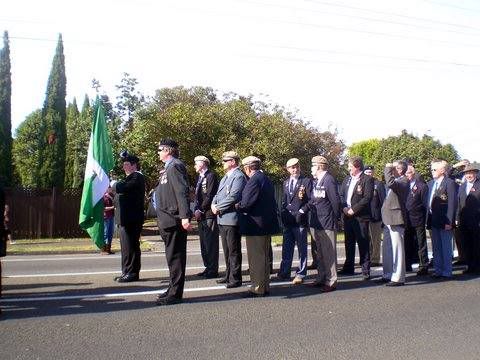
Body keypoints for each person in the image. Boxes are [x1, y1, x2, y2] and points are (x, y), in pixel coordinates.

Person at [155, 139, 192, 306]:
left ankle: (175, 294)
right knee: (171, 257)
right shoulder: (167, 167)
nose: (158, 152)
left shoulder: (175, 165)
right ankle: (172, 288)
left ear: (168, 150)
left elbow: (181, 191)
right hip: (166, 219)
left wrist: (185, 216)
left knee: (176, 258)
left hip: (173, 218)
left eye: (160, 149)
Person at [236, 156, 280, 297]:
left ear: (248, 167)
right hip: (265, 224)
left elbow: (246, 203)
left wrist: (237, 205)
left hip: (255, 225)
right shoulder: (265, 178)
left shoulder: (253, 180)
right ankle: (264, 286)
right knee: (264, 257)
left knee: (256, 258)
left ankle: (257, 288)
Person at [300, 156, 340, 292]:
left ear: (318, 166)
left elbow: (335, 202)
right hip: (317, 222)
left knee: (329, 253)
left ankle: (331, 281)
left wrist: (336, 219)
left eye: (312, 166)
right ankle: (321, 278)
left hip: (327, 222)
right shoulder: (317, 181)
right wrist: (303, 209)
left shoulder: (329, 180)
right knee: (320, 253)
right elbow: (313, 200)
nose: (311, 168)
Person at [211, 151, 247, 289]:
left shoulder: (238, 176)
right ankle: (228, 274)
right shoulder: (226, 176)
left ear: (233, 162)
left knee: (233, 251)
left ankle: (235, 278)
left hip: (231, 218)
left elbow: (234, 196)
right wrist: (213, 204)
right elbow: (217, 194)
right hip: (222, 218)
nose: (223, 163)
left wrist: (218, 208)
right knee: (226, 250)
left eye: (225, 161)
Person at [112, 151, 146, 283]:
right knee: (126, 246)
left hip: (131, 219)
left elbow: (122, 187)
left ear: (134, 165)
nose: (123, 167)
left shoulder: (137, 177)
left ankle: (131, 272)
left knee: (130, 246)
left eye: (126, 164)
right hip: (125, 219)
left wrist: (113, 184)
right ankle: (126, 271)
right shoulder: (130, 177)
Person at [277, 158, 312, 284]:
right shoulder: (286, 183)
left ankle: (301, 273)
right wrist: (283, 212)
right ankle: (284, 271)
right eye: (292, 167)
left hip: (300, 220)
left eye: (297, 167)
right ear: (288, 169)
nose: (295, 169)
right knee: (287, 248)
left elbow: (310, 201)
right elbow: (285, 201)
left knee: (302, 249)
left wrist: (302, 212)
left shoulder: (306, 181)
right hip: (288, 220)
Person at [339, 156, 374, 280]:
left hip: (360, 217)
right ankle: (349, 267)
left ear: (357, 166)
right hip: (347, 216)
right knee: (349, 242)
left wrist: (354, 209)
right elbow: (342, 195)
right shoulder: (347, 179)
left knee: (363, 242)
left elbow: (367, 198)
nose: (348, 168)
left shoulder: (367, 179)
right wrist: (344, 208)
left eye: (350, 166)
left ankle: (365, 269)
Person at [379, 160, 410, 286]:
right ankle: (387, 274)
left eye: (394, 168)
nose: (392, 170)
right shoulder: (397, 181)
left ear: (400, 169)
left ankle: (398, 277)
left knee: (397, 248)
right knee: (387, 248)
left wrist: (387, 168)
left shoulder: (404, 181)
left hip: (396, 218)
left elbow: (390, 183)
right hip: (388, 217)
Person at [427, 160, 457, 279]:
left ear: (442, 170)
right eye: (432, 169)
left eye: (434, 169)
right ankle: (438, 270)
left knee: (445, 246)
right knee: (436, 247)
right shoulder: (431, 183)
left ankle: (447, 271)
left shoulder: (449, 183)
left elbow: (452, 204)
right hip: (433, 218)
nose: (432, 171)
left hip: (444, 220)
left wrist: (449, 221)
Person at [193, 155, 219, 278]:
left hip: (208, 214)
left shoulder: (211, 176)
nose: (194, 166)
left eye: (196, 163)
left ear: (203, 163)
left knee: (210, 243)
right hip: (201, 215)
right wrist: (196, 209)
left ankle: (213, 269)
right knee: (203, 243)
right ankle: (207, 267)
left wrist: (201, 210)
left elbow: (210, 195)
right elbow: (197, 197)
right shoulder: (199, 177)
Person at [404, 164, 429, 276]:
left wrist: (425, 219)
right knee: (407, 243)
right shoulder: (403, 185)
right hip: (406, 219)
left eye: (408, 173)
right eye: (405, 173)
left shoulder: (421, 186)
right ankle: (407, 264)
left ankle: (423, 265)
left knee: (421, 243)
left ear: (413, 174)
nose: (407, 175)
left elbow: (425, 204)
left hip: (418, 218)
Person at [456, 163, 480, 274]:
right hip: (463, 220)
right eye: (466, 173)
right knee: (467, 243)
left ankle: (477, 266)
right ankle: (470, 266)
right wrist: (457, 218)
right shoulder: (462, 186)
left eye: (471, 173)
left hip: (476, 219)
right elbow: (459, 204)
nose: (468, 175)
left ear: (475, 173)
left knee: (477, 244)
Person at [364, 165, 385, 266]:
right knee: (366, 239)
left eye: (370, 172)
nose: (369, 173)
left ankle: (375, 259)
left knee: (375, 240)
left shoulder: (378, 184)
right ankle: (367, 258)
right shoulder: (362, 183)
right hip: (364, 216)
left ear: (373, 172)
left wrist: (383, 218)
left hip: (375, 216)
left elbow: (383, 201)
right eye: (367, 172)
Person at [102, 186, 115, 255]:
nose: (110, 189)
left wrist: (111, 198)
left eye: (110, 188)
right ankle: (104, 249)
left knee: (110, 233)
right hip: (106, 216)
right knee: (105, 233)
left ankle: (109, 249)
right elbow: (103, 208)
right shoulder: (103, 197)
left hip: (111, 216)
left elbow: (115, 203)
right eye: (109, 188)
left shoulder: (111, 196)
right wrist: (112, 207)